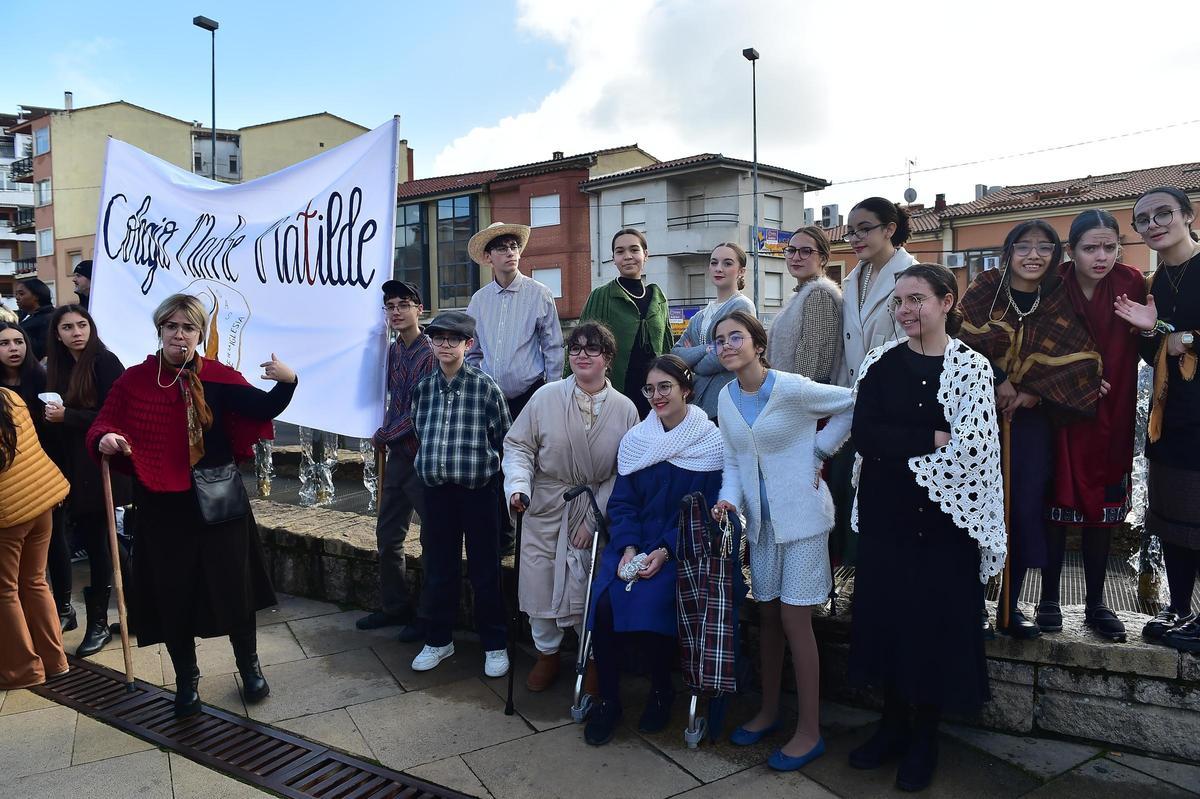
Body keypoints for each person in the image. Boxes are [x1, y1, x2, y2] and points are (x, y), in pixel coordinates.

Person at [87, 293, 297, 717]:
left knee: (234, 588)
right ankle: (187, 681)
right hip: (162, 506)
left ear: (200, 334)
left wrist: (287, 380)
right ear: (160, 330)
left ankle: (249, 667)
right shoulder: (134, 380)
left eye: (188, 328)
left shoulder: (219, 376)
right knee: (173, 592)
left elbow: (263, 405)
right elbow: (103, 423)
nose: (179, 334)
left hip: (218, 501)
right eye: (172, 326)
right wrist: (105, 438)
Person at [848, 263, 1005, 792]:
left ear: (946, 302)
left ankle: (925, 738)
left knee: (934, 628)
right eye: (899, 302)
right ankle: (892, 726)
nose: (906, 310)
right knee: (889, 622)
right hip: (887, 518)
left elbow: (971, 453)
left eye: (917, 299)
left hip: (944, 525)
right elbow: (867, 436)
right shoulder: (877, 362)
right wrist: (928, 439)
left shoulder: (971, 369)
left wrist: (911, 445)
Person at [712, 310, 852, 771]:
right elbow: (733, 461)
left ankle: (809, 731)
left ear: (757, 343)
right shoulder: (728, 399)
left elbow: (853, 402)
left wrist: (820, 448)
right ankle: (770, 712)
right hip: (763, 528)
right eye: (720, 340)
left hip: (805, 523)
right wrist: (729, 502)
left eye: (736, 337)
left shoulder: (791, 387)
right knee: (768, 617)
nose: (727, 345)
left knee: (795, 621)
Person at [960, 221, 1102, 639]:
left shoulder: (1057, 295)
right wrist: (998, 377)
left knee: (1022, 508)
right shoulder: (985, 287)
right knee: (971, 507)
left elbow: (1082, 358)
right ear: (1008, 252)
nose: (1033, 255)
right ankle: (971, 604)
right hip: (974, 417)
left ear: (1056, 255)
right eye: (1024, 247)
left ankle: (1011, 603)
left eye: (1044, 247)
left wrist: (1034, 394)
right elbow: (957, 339)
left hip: (1030, 424)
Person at [583, 354, 723, 746]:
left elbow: (708, 512)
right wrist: (627, 546)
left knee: (658, 599)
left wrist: (666, 549)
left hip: (683, 547)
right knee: (605, 604)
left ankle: (662, 690)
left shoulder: (709, 442)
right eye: (650, 388)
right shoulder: (637, 442)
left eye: (666, 387)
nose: (657, 396)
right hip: (633, 544)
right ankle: (608, 699)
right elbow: (622, 503)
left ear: (686, 390)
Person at [504, 322, 638, 692]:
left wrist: (596, 518)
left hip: (593, 507)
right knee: (538, 581)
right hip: (545, 504)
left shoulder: (626, 409)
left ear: (607, 359)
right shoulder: (545, 397)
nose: (581, 354)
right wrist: (518, 486)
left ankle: (590, 656)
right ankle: (546, 654)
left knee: (590, 583)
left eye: (591, 349)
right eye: (575, 348)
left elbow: (625, 470)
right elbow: (518, 446)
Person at [1041, 211, 1145, 642]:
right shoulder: (1053, 284)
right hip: (1059, 413)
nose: (1101, 257)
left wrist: (1154, 325)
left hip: (1113, 411)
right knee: (1053, 506)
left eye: (1109, 247)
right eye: (1090, 248)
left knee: (1103, 512)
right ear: (1071, 251)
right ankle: (1048, 598)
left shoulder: (1132, 282)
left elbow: (1152, 336)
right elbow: (1034, 347)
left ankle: (1097, 603)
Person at [1114, 186, 1200, 651]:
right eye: (1142, 220)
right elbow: (1149, 348)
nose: (1152, 225)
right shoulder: (1154, 284)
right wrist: (1156, 334)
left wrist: (1171, 335)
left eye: (1162, 214)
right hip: (1170, 418)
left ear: (1187, 216)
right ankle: (1180, 607)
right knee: (1172, 520)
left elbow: (1168, 339)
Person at [409, 311, 512, 678]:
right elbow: (422, 431)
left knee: (486, 570)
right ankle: (439, 640)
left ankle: (495, 644)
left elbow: (504, 437)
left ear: (468, 344)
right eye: (438, 338)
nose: (445, 345)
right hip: (437, 491)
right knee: (439, 568)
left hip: (478, 491)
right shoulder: (423, 389)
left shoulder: (486, 387)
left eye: (454, 339)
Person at [465, 222, 563, 552]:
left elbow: (553, 347)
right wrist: (480, 386)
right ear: (489, 256)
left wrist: (551, 394)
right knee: (494, 466)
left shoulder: (540, 294)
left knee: (534, 465)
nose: (511, 252)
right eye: (502, 247)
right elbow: (473, 351)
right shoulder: (478, 302)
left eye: (514, 246)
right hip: (492, 400)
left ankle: (534, 539)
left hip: (530, 395)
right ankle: (503, 538)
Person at [43, 304, 130, 657]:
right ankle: (137, 608)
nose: (76, 332)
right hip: (72, 467)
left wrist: (69, 416)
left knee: (99, 541)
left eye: (82, 325)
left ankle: (98, 623)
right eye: (68, 327)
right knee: (106, 541)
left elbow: (117, 413)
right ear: (58, 334)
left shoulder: (104, 362)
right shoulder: (58, 367)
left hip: (101, 464)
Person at [357, 280, 436, 644]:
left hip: (424, 456)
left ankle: (429, 616)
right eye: (390, 306)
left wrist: (386, 434)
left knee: (434, 539)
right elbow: (380, 396)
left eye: (404, 304)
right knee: (388, 535)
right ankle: (395, 605)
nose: (397, 311)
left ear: (418, 309)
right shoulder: (388, 352)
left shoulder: (431, 353)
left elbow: (421, 411)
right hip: (397, 459)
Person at [0, 387, 70, 689]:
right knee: (35, 580)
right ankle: (55, 661)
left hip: (9, 511)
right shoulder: (6, 395)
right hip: (42, 498)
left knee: (5, 591)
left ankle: (23, 670)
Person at [574, 229, 674, 417]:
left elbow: (667, 347)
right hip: (615, 395)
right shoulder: (600, 296)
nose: (627, 256)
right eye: (620, 252)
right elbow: (579, 346)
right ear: (613, 258)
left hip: (655, 395)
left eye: (634, 250)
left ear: (646, 255)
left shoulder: (658, 297)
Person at [671, 242, 756, 419]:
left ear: (741, 271)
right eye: (714, 262)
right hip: (697, 403)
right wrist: (706, 348)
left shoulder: (741, 305)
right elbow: (676, 353)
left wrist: (696, 365)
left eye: (727, 263)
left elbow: (727, 352)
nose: (719, 268)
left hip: (726, 402)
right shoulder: (700, 316)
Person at [840, 198, 919, 386]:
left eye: (864, 229)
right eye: (851, 232)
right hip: (849, 397)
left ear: (889, 230)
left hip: (890, 394)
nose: (854, 238)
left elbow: (910, 348)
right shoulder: (852, 280)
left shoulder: (914, 277)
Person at [766, 226, 846, 384]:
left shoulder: (819, 295)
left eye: (806, 251)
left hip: (802, 398)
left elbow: (810, 359)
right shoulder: (801, 295)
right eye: (791, 250)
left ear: (823, 258)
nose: (796, 257)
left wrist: (791, 398)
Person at [13, 279, 55, 362]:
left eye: (21, 294)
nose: (17, 298)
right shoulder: (21, 316)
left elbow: (43, 348)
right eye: (16, 294)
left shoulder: (48, 318)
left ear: (36, 296)